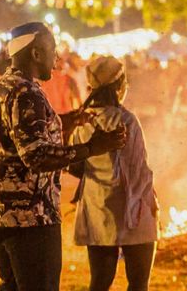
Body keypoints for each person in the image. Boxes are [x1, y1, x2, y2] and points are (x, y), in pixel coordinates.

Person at [0, 22, 127, 291]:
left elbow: (11, 139)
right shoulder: (27, 93)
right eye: (52, 51)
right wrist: (92, 147)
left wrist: (66, 121)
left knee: (11, 285)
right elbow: (37, 157)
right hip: (27, 218)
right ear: (35, 54)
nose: (56, 60)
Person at [69, 55, 159, 291]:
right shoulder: (127, 120)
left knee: (100, 281)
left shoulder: (81, 121)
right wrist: (149, 203)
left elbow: (76, 165)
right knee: (138, 283)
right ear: (120, 86)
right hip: (134, 209)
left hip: (98, 209)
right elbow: (137, 171)